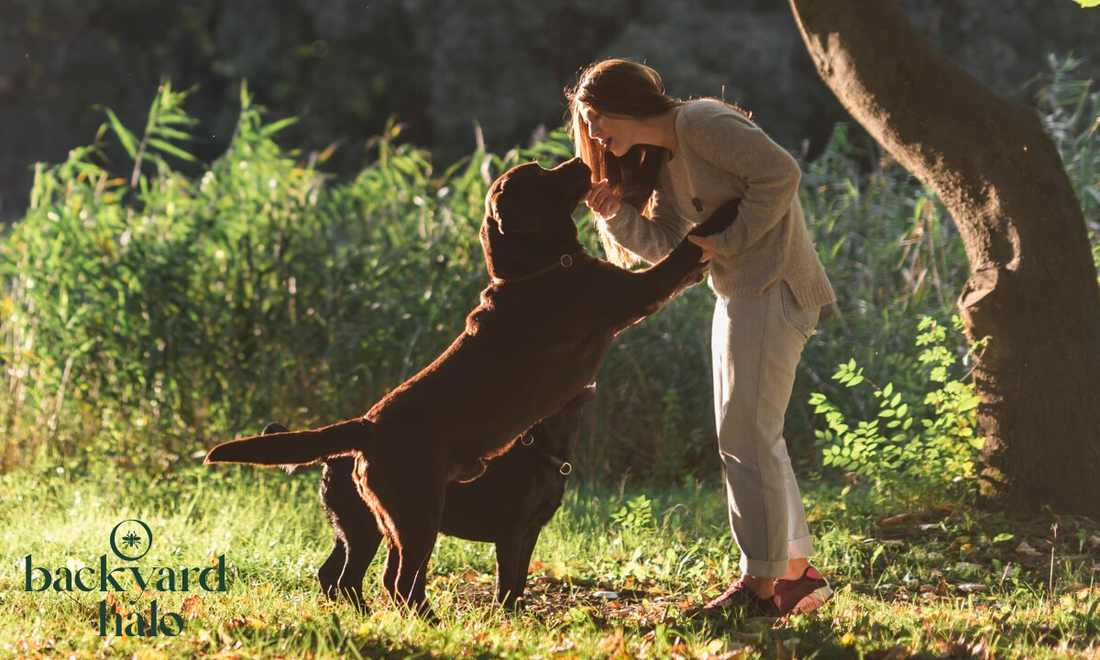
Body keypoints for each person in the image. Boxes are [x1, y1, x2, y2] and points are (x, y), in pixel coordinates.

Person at [566, 59, 836, 617]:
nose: (593, 135)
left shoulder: (701, 121)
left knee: (747, 439)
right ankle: (792, 575)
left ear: (624, 105)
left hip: (773, 285)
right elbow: (669, 247)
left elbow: (781, 174)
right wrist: (616, 215)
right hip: (741, 293)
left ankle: (759, 591)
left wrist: (729, 241)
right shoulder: (665, 159)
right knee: (753, 437)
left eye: (595, 119)